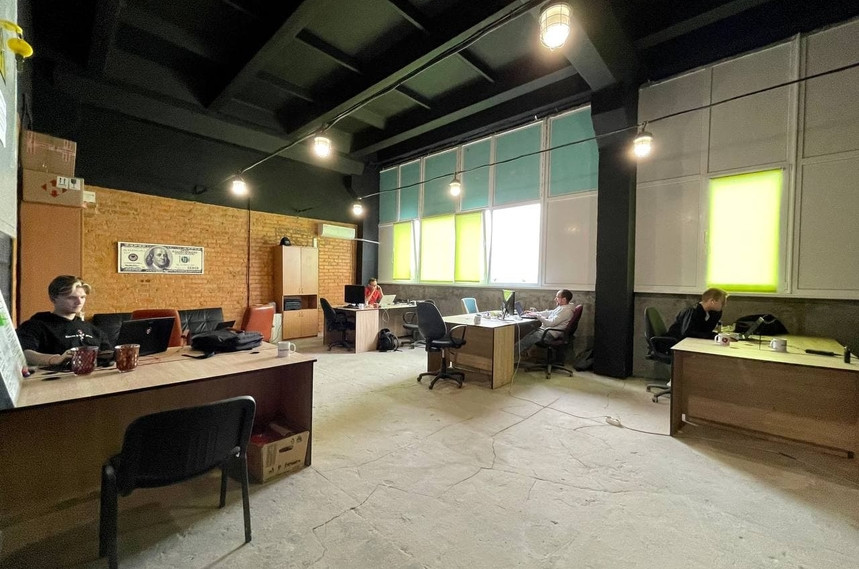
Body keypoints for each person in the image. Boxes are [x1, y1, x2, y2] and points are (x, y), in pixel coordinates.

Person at [16, 275, 112, 367]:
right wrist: (55, 359)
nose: (79, 302)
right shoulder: (35, 325)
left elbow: (109, 354)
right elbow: (25, 354)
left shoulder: (92, 329)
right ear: (53, 298)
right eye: (72, 298)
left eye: (82, 297)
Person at [515, 289, 575, 357]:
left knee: (524, 342)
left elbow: (550, 323)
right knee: (526, 336)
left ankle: (509, 356)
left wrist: (537, 316)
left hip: (549, 334)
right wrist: (535, 313)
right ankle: (519, 355)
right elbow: (549, 313)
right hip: (545, 331)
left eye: (557, 297)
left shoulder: (566, 311)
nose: (555, 299)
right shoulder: (563, 307)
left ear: (563, 299)